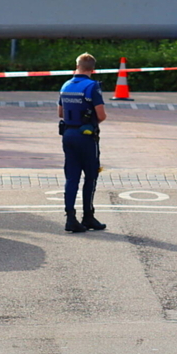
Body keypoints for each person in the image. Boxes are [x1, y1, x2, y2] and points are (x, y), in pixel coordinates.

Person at [58, 53, 108, 233]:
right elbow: (101, 115)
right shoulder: (92, 87)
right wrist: (90, 123)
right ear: (93, 69)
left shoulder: (66, 85)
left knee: (71, 177)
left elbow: (60, 113)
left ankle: (70, 218)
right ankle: (88, 216)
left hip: (68, 134)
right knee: (90, 176)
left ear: (76, 65)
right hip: (85, 136)